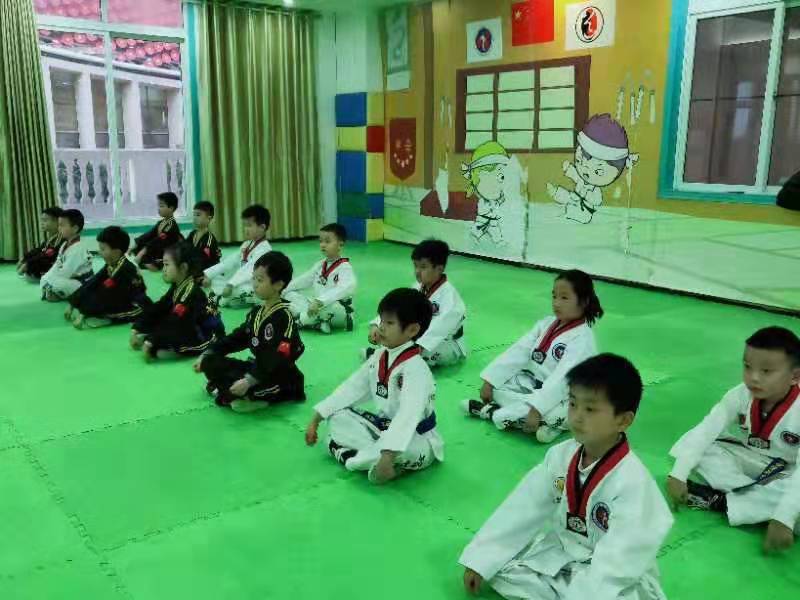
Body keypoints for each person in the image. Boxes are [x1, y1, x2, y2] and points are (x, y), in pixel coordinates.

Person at [460, 354, 673, 600]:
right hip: (564, 556)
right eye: (572, 404)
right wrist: (482, 559)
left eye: (590, 409)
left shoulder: (633, 483)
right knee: (502, 572)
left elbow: (621, 559)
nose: (577, 417)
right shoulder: (561, 456)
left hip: (614, 577)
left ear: (623, 420)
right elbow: (524, 507)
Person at [667, 326, 800, 554]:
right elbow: (707, 430)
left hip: (788, 471)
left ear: (795, 376)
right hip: (749, 461)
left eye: (766, 371)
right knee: (690, 443)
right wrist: (678, 475)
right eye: (748, 367)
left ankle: (724, 502)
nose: (754, 377)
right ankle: (755, 507)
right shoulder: (739, 394)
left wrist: (784, 517)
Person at [305, 288, 442, 484]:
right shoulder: (379, 356)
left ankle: (354, 457)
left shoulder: (416, 369)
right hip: (382, 429)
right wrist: (316, 418)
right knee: (337, 416)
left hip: (417, 438)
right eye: (381, 321)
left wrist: (388, 455)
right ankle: (368, 460)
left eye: (389, 323)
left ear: (412, 330)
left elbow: (408, 415)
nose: (381, 328)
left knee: (407, 450)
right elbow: (351, 388)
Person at [462, 270, 603, 443]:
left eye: (564, 298)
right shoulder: (546, 324)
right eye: (554, 296)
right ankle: (518, 417)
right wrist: (490, 381)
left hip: (567, 395)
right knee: (498, 389)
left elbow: (562, 379)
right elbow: (518, 351)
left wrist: (537, 408)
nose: (556, 303)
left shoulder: (582, 339)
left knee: (561, 412)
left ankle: (496, 413)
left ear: (584, 301)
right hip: (533, 385)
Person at [196, 251, 305, 413]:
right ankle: (231, 393)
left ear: (278, 285)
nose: (254, 284)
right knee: (210, 362)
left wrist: (249, 381)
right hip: (258, 368)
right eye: (253, 278)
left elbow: (276, 357)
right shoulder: (256, 313)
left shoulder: (284, 317)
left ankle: (242, 395)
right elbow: (235, 339)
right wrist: (209, 352)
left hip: (281, 377)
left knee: (242, 395)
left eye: (260, 280)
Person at [365, 239, 466, 367]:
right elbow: (396, 309)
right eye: (415, 266)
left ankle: (389, 357)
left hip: (447, 345)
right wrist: (377, 326)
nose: (417, 271)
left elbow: (439, 329)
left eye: (423, 267)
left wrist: (416, 345)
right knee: (396, 335)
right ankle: (390, 357)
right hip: (418, 337)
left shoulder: (450, 297)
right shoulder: (417, 288)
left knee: (417, 351)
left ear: (439, 269)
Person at [130, 242, 224, 361]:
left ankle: (169, 348)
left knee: (158, 348)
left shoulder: (191, 292)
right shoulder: (178, 285)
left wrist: (151, 341)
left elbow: (176, 321)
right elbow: (160, 307)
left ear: (183, 267)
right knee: (161, 319)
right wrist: (138, 327)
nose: (163, 269)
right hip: (187, 324)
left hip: (208, 335)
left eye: (167, 265)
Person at [65, 226, 150, 329]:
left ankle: (108, 319)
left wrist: (84, 313)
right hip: (118, 296)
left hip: (136, 305)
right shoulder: (111, 264)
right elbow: (93, 282)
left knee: (100, 299)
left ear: (116, 252)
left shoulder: (125, 269)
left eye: (103, 249)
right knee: (91, 292)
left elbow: (105, 293)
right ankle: (99, 315)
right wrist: (73, 303)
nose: (99, 252)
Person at [283, 223, 356, 334]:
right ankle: (317, 323)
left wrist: (320, 301)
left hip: (338, 311)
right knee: (290, 295)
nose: (323, 245)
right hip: (318, 306)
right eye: (321, 241)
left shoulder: (345, 268)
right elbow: (303, 280)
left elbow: (344, 289)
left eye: (327, 241)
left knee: (329, 307)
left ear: (340, 244)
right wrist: (282, 290)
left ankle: (302, 321)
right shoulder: (320, 265)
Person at [201, 205, 272, 307]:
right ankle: (225, 298)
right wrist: (208, 274)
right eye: (245, 225)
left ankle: (221, 299)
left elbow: (249, 269)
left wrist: (231, 284)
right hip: (241, 280)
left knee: (241, 290)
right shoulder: (247, 244)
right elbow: (229, 262)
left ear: (262, 227)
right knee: (216, 278)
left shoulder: (265, 249)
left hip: (254, 284)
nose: (246, 229)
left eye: (249, 225)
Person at [40, 209, 93, 302]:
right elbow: (57, 265)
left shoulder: (79, 248)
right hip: (67, 278)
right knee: (44, 279)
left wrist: (51, 280)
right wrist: (47, 277)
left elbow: (66, 273)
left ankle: (56, 292)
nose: (59, 228)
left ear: (75, 228)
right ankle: (55, 292)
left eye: (62, 225)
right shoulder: (64, 245)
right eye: (59, 225)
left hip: (81, 283)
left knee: (57, 283)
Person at [130, 191, 183, 271]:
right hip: (158, 249)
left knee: (146, 252)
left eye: (161, 206)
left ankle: (156, 265)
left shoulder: (171, 226)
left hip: (166, 252)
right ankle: (147, 263)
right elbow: (148, 235)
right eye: (159, 206)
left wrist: (141, 253)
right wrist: (134, 245)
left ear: (171, 208)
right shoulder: (161, 223)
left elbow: (157, 241)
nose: (159, 209)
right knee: (138, 247)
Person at [17, 206, 64, 281]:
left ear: (57, 221)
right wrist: (24, 259)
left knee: (40, 261)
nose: (42, 223)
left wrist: (28, 264)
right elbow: (40, 250)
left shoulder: (62, 239)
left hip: (59, 267)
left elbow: (49, 256)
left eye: (45, 220)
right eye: (42, 220)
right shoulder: (51, 238)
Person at [186, 200, 222, 273]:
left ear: (209, 218)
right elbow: (184, 248)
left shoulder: (209, 239)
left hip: (208, 271)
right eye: (194, 215)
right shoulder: (192, 234)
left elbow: (208, 262)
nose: (195, 217)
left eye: (198, 215)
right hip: (195, 267)